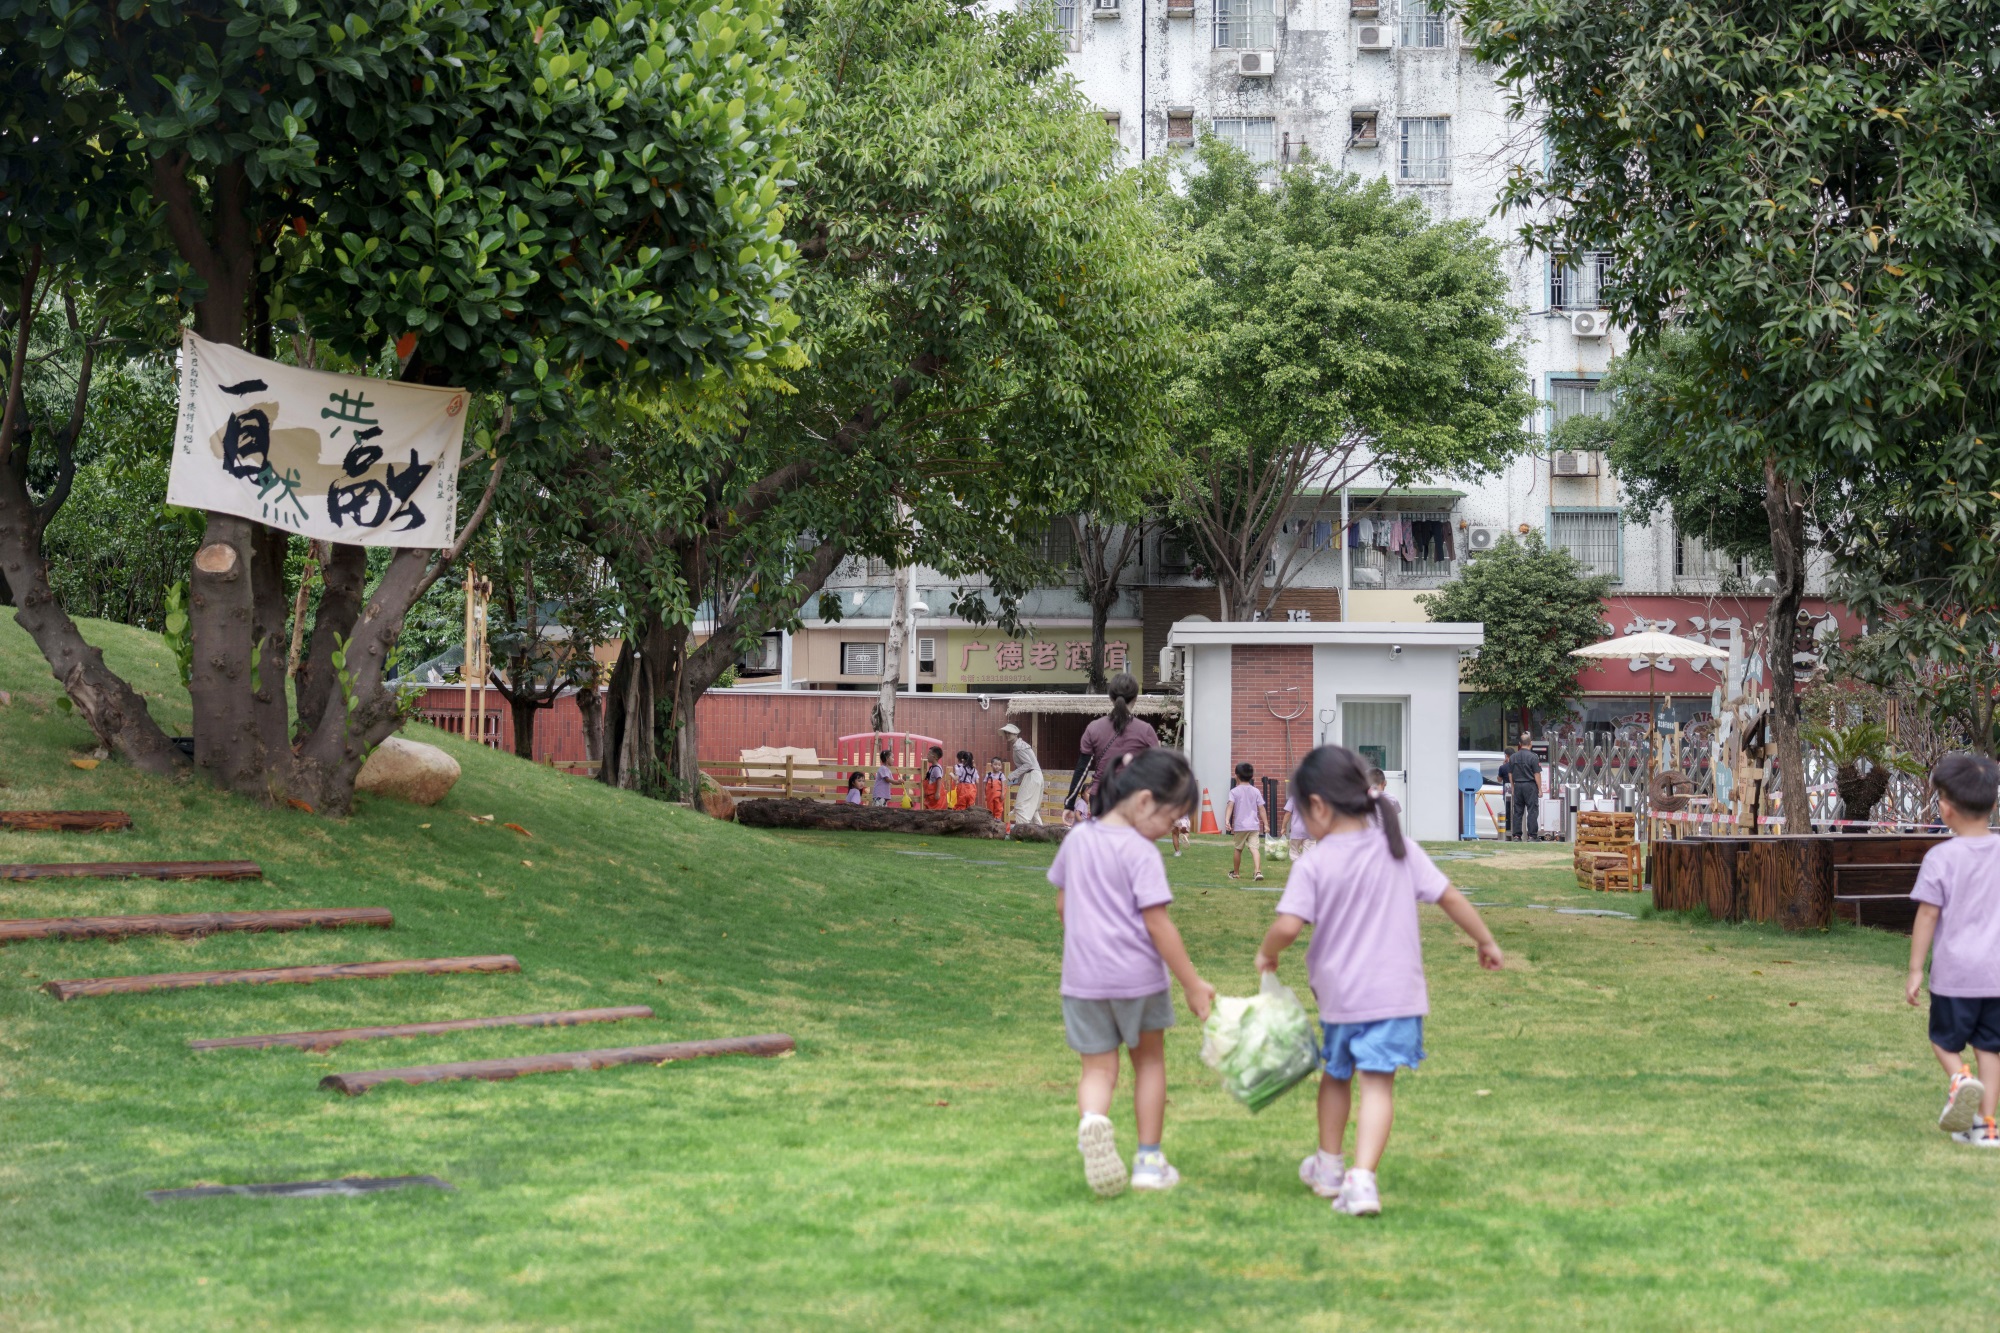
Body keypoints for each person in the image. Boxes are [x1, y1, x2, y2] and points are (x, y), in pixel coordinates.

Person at [1256, 744, 1504, 1216]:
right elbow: (1450, 898)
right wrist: (1485, 940)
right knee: (1377, 1087)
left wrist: (1267, 954)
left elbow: (1288, 927)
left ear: (1320, 807)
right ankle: (1362, 1179)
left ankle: (1330, 1166)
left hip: (1341, 997)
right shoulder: (1400, 849)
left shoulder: (1315, 862)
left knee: (1335, 1074)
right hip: (1396, 995)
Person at [1049, 747, 1216, 1196]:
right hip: (1138, 980)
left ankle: (1093, 1122)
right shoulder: (1142, 854)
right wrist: (1193, 984)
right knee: (1149, 1066)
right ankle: (1148, 1161)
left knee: (1097, 1072)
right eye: (1171, 818)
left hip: (1083, 980)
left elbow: (1063, 906)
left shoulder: (1078, 840)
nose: (1169, 829)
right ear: (1143, 801)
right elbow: (1157, 924)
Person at [1906, 753, 2000, 1144]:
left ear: (1944, 808)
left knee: (1943, 1041)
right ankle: (1986, 1126)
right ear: (1994, 804)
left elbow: (1928, 915)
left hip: (1955, 975)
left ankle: (1959, 1078)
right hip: (1996, 976)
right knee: (1990, 1049)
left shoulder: (1940, 858)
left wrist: (1915, 969)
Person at [1078, 672, 1162, 816]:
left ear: (1111, 697)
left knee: (1103, 838)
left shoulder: (1094, 727)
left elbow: (1082, 768)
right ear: (1136, 697)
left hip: (1100, 795)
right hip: (1132, 797)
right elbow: (1157, 769)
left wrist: (1069, 802)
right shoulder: (1145, 730)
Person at [1228, 761, 1267, 882]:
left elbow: (1230, 806)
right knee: (1254, 848)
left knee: (1238, 848)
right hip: (1254, 825)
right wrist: (1266, 824)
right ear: (1251, 777)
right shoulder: (1256, 791)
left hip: (1240, 826)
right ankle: (1258, 871)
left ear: (1237, 776)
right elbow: (1261, 808)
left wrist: (1226, 821)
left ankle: (1236, 873)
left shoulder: (1234, 791)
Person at [1002, 723, 1044, 826]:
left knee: (1021, 804)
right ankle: (1040, 831)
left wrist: (1011, 776)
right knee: (1033, 807)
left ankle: (1020, 832)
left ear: (1015, 734)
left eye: (1010, 733)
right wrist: (1010, 782)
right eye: (1006, 733)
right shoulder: (1020, 745)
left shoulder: (1018, 747)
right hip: (1035, 776)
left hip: (1032, 776)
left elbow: (1028, 764)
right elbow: (1025, 768)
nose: (1007, 735)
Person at [1500, 734, 1540, 841]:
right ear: (1530, 743)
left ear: (1519, 744)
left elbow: (1510, 774)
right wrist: (1540, 789)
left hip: (1517, 785)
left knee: (1517, 811)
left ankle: (1517, 836)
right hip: (1530, 785)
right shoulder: (1533, 757)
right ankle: (1532, 835)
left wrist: (1513, 787)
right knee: (1532, 810)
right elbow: (1537, 774)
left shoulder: (1513, 757)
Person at [922, 745, 948, 811]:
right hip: (930, 796)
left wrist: (937, 793)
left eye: (929, 754)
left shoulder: (936, 768)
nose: (927, 756)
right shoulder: (932, 768)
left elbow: (939, 779)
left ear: (934, 757)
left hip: (934, 796)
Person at [1284, 793, 1308, 860]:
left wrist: (1283, 827)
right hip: (1310, 830)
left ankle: (1298, 868)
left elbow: (1287, 813)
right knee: (1309, 854)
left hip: (1296, 830)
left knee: (1294, 853)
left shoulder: (1293, 798)